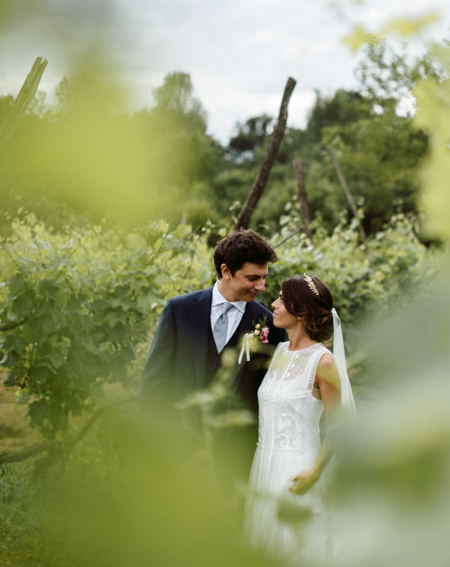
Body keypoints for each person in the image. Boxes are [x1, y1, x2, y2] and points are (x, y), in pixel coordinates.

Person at [139, 228, 285, 486]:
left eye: (264, 277)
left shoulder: (267, 324)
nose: (261, 287)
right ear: (226, 270)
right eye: (253, 278)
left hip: (236, 461)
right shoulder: (179, 310)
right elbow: (154, 382)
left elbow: (268, 394)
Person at [245, 274, 357, 561]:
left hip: (298, 470)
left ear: (302, 311)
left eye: (282, 299)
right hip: (263, 466)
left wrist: (315, 473)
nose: (273, 304)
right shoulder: (279, 351)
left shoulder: (323, 362)